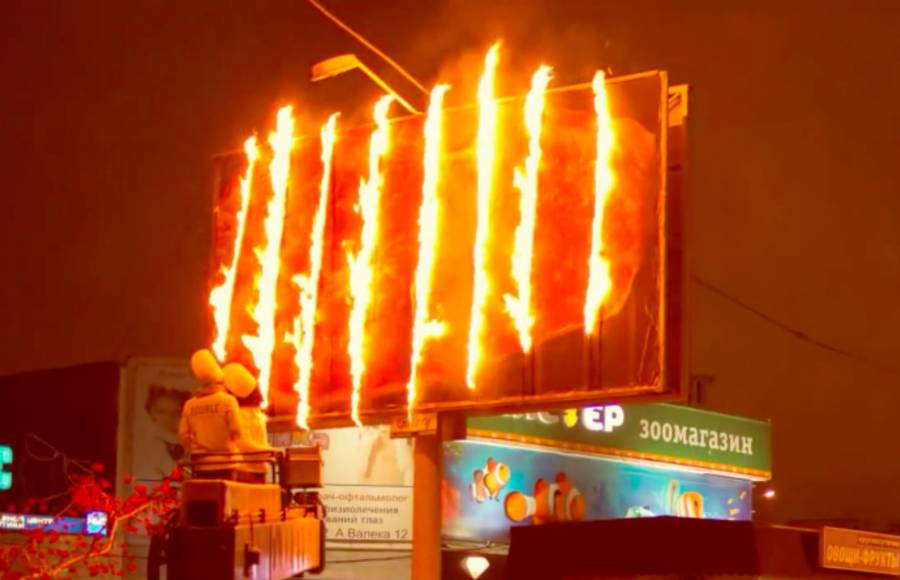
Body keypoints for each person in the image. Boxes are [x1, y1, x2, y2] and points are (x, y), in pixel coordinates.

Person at [177, 349, 243, 479]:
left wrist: (195, 448)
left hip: (201, 464)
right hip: (226, 463)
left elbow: (182, 435)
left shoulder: (190, 404)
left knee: (205, 491)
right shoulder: (228, 401)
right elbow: (237, 431)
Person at [222, 362, 271, 483]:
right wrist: (269, 452)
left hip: (257, 469)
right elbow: (242, 443)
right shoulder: (240, 413)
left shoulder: (254, 411)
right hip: (246, 470)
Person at [143, 384, 191, 479]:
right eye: (162, 412)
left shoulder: (189, 437)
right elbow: (173, 473)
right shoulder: (153, 442)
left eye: (176, 412)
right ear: (152, 412)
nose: (169, 418)